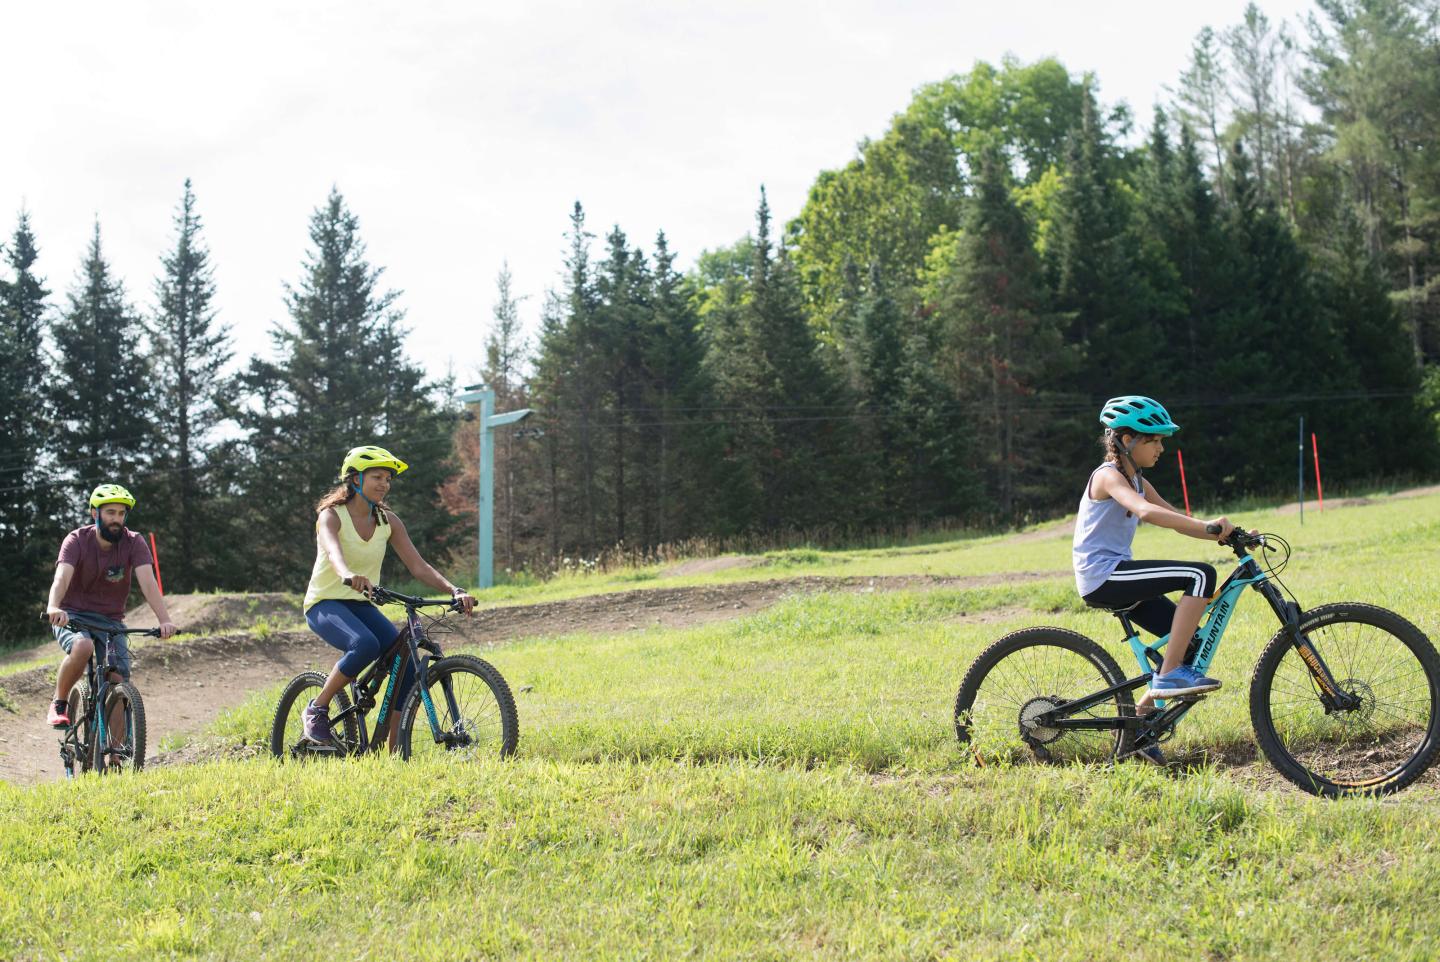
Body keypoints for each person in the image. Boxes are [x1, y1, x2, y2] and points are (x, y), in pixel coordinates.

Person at [1072, 397, 1245, 762]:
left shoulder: (1138, 480)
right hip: (1103, 576)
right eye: (1154, 440)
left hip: (1117, 573)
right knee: (1200, 574)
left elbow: (1175, 517)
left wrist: (1226, 533)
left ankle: (1138, 729)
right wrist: (1210, 529)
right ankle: (1167, 678)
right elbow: (1147, 513)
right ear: (1127, 440)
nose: (1161, 448)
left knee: (1191, 644)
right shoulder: (1109, 476)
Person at [302, 445, 476, 750]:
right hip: (325, 603)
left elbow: (418, 566)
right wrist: (347, 574)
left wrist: (454, 590)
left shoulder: (388, 522)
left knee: (408, 665)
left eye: (388, 479)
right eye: (376, 477)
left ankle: (396, 750)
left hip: (361, 605)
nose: (384, 484)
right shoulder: (332, 515)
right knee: (365, 644)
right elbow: (333, 552)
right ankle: (317, 708)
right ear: (355, 480)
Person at [44, 484, 178, 762]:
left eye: (121, 513)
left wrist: (164, 619)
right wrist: (54, 606)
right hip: (71, 615)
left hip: (110, 621)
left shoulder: (133, 542)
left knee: (117, 679)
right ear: (95, 513)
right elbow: (62, 577)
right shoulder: (76, 540)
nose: (116, 519)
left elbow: (148, 582)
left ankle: (116, 753)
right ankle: (59, 702)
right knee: (82, 647)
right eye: (109, 513)